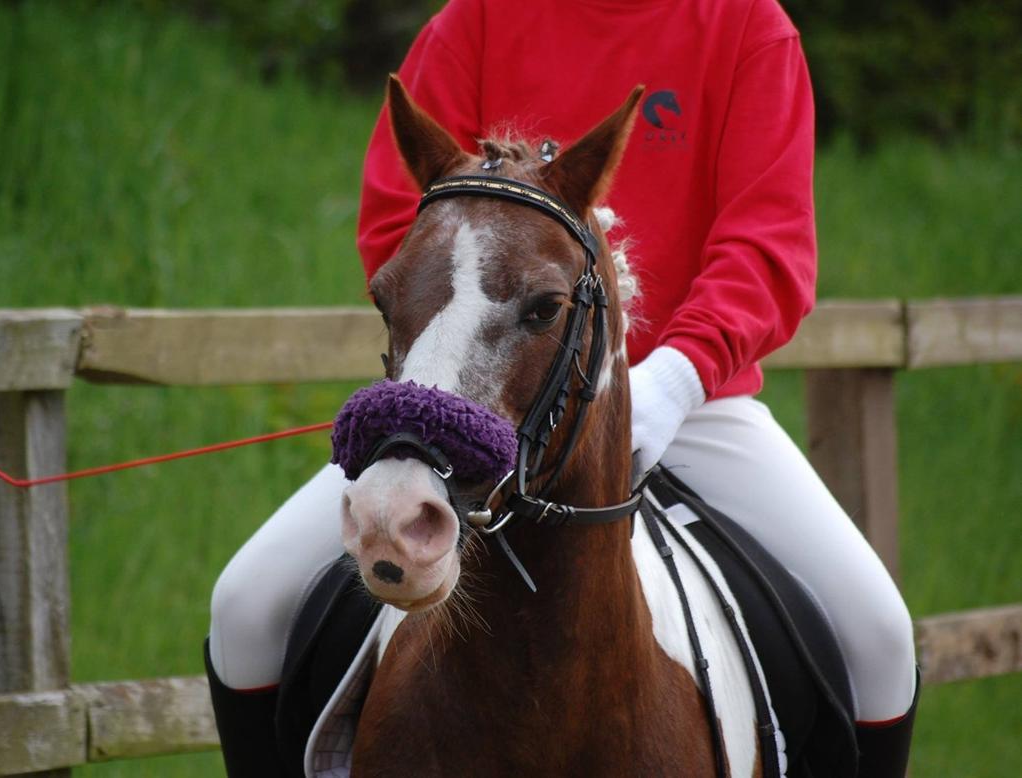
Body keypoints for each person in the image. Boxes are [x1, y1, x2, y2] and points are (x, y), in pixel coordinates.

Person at [206, 0, 919, 775]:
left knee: (878, 636)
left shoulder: (748, 27)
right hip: (483, 400)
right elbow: (401, 228)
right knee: (246, 608)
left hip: (689, 399)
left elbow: (769, 245)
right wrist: (465, 376)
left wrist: (675, 378)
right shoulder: (475, 21)